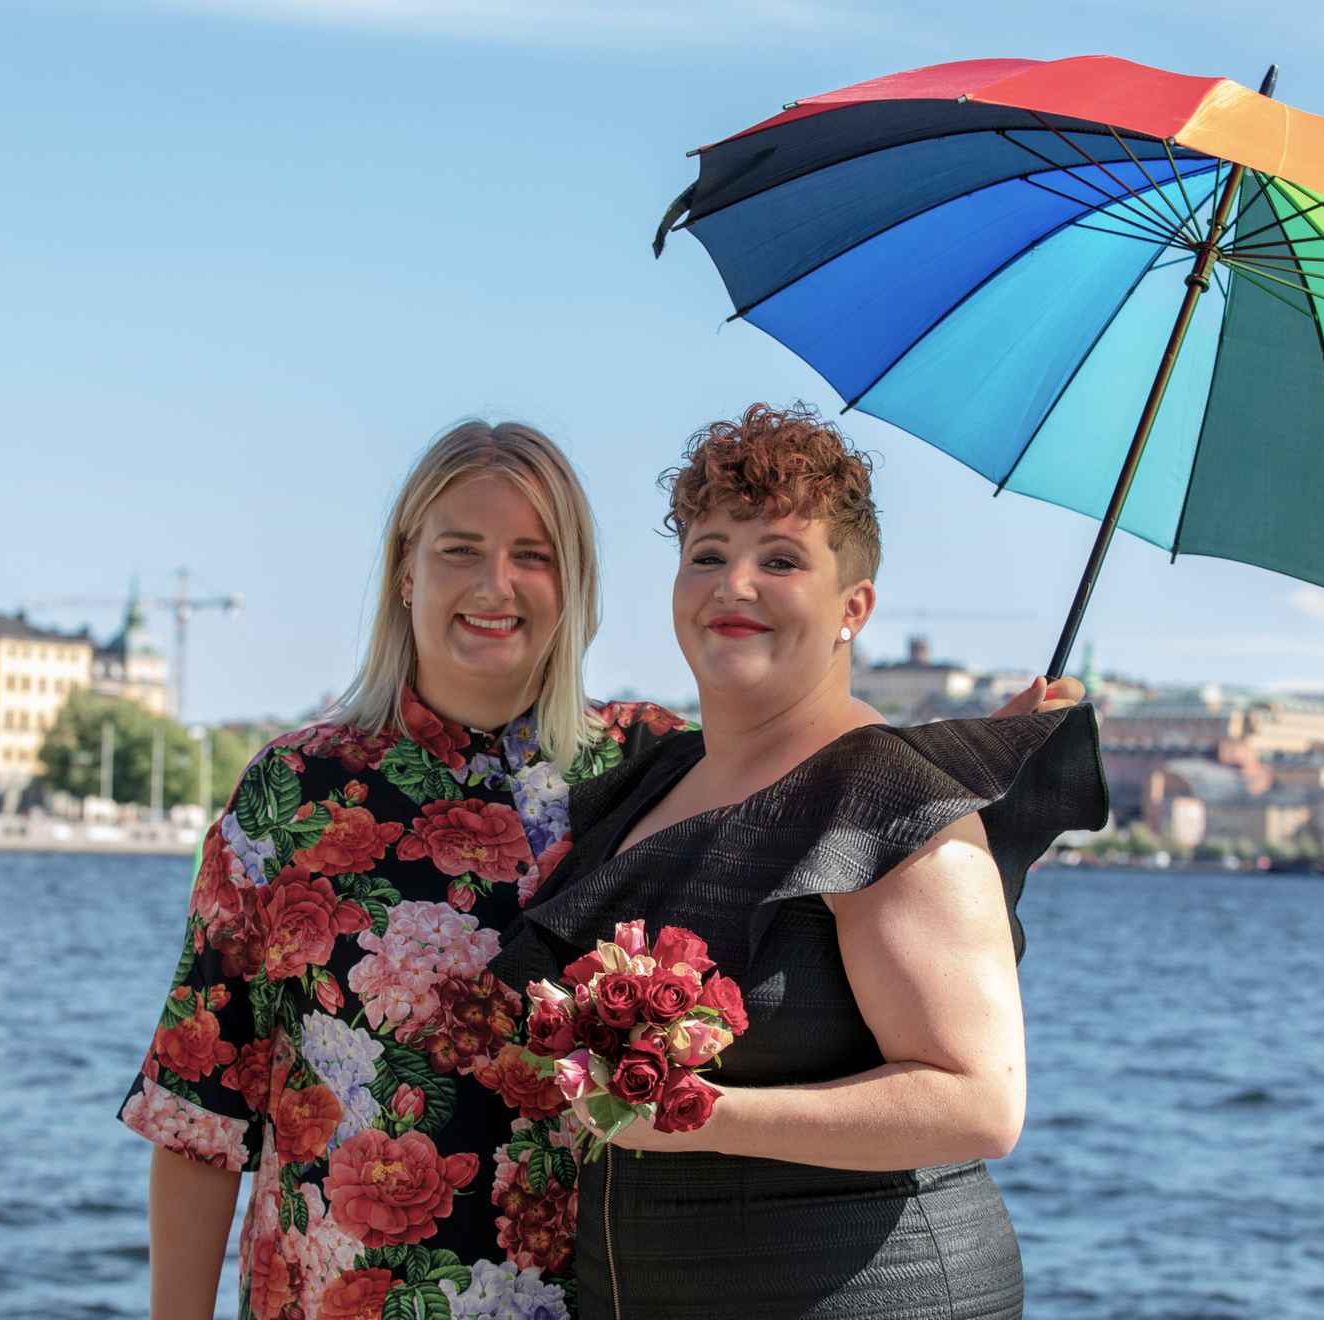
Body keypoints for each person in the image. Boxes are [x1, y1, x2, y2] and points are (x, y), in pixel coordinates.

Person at [121, 416, 1083, 1320]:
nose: (495, 584)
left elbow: (811, 776)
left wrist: (952, 769)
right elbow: (199, 1108)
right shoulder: (294, 791)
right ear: (404, 573)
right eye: (459, 549)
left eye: (533, 556)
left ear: (573, 584)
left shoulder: (636, 762)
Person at [493, 404, 1109, 1319]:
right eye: (707, 554)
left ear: (852, 608)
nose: (733, 584)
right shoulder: (654, 777)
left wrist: (703, 1116)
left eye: (780, 560)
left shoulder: (891, 796)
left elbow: (979, 1104)